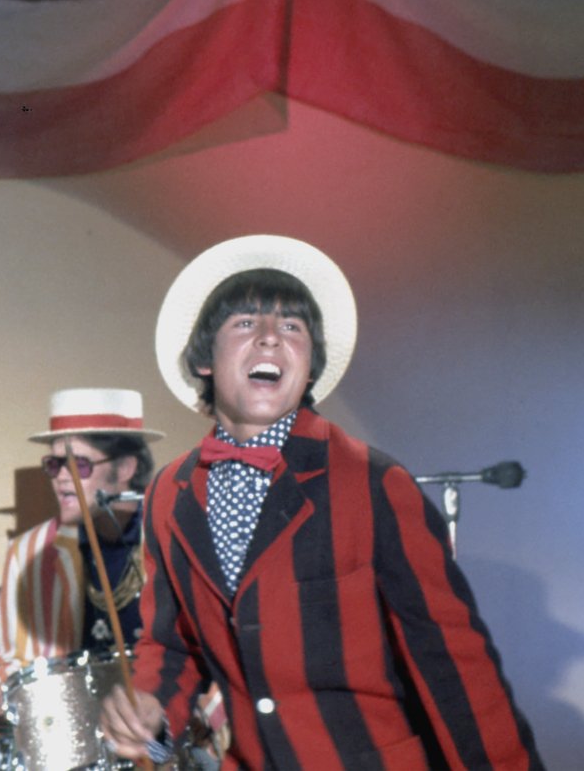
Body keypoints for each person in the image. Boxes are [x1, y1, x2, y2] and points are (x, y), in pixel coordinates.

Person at [100, 235, 540, 769]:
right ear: (204, 360)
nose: (269, 339)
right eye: (244, 323)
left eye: (292, 327)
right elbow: (172, 645)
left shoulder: (375, 481)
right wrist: (151, 713)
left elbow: (453, 667)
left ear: (309, 366)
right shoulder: (170, 493)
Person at [0, 387, 160, 705]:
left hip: (167, 731)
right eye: (54, 465)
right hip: (76, 736)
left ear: (124, 468)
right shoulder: (29, 552)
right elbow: (10, 665)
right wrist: (7, 698)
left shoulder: (177, 540)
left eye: (79, 465)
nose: (61, 478)